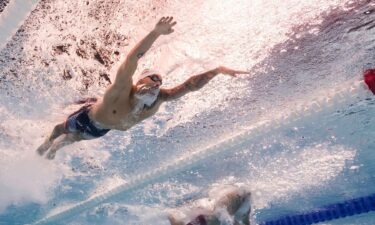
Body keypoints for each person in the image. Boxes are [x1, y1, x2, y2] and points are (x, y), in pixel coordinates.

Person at [36, 16, 249, 159]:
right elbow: (132, 58)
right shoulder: (122, 87)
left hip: (101, 130)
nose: (158, 83)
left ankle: (55, 148)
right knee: (60, 130)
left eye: (160, 81)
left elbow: (190, 85)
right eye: (153, 78)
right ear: (140, 80)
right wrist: (156, 32)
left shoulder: (161, 97)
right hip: (88, 117)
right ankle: (47, 143)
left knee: (72, 140)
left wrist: (217, 70)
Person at [168, 186, 252, 225]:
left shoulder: (243, 208)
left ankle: (170, 214)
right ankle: (169, 214)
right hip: (205, 219)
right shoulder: (231, 206)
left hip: (204, 218)